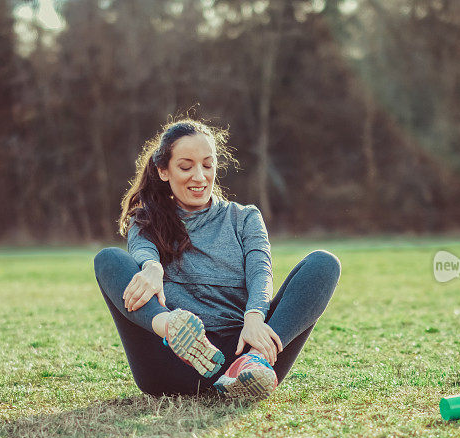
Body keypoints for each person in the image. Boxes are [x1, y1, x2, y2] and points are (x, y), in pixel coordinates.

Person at [93, 119, 340, 399]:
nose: (199, 177)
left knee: (324, 263)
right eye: (186, 167)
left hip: (241, 353)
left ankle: (255, 362)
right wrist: (151, 268)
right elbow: (142, 250)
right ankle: (171, 328)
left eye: (208, 165)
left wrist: (255, 317)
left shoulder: (245, 217)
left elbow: (261, 271)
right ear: (163, 171)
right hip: (169, 363)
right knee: (109, 259)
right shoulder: (146, 219)